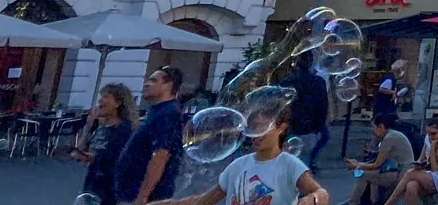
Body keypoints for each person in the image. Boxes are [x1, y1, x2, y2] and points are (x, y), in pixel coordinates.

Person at [157, 97, 327, 205]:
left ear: (281, 127)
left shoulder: (288, 165)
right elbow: (203, 201)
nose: (255, 134)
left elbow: (321, 193)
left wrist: (312, 199)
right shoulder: (237, 166)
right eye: (252, 127)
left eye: (262, 127)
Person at [117, 67, 186, 205]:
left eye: (153, 80)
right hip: (132, 192)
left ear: (169, 85)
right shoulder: (157, 111)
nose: (146, 84)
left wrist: (143, 196)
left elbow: (161, 155)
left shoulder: (169, 114)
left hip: (147, 197)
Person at [381, 108, 438, 205]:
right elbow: (421, 158)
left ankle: (389, 203)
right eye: (428, 133)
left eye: (433, 133)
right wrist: (418, 164)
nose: (431, 136)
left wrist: (433, 148)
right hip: (430, 174)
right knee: (411, 186)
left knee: (410, 173)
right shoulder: (428, 138)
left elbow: (437, 168)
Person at [75, 84, 138, 205]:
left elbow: (117, 158)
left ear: (118, 103)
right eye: (100, 96)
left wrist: (91, 157)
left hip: (110, 188)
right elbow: (80, 149)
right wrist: (89, 125)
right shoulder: (101, 126)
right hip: (91, 184)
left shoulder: (124, 129)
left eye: (105, 97)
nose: (100, 100)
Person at [346, 120, 417, 205]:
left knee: (362, 175)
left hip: (400, 172)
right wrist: (358, 164)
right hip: (396, 169)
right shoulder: (393, 135)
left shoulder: (389, 138)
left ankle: (353, 203)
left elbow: (376, 165)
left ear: (381, 126)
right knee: (372, 177)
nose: (373, 130)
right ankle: (374, 201)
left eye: (374, 127)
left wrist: (357, 166)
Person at [281, 59, 331, 172]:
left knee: (288, 162)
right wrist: (320, 125)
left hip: (292, 126)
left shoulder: (288, 82)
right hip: (311, 127)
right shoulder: (319, 81)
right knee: (303, 165)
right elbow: (323, 104)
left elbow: (281, 106)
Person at [374, 60, 409, 133]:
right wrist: (393, 92)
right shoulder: (390, 78)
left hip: (384, 109)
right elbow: (382, 89)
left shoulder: (391, 78)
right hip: (384, 109)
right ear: (397, 71)